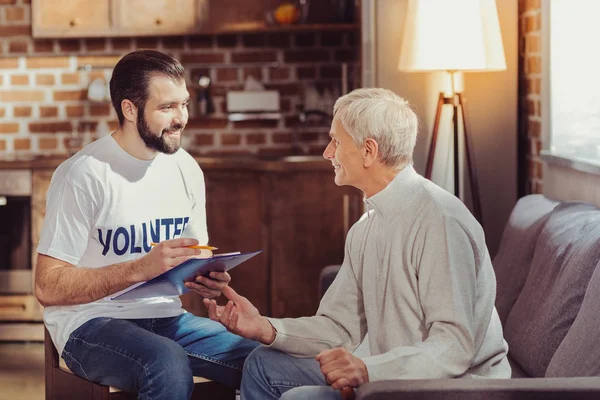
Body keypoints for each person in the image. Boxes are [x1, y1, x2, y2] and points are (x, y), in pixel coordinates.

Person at [204, 88, 511, 399]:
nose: (327, 152)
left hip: (454, 388)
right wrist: (265, 328)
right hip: (390, 378)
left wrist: (367, 370)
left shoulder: (439, 220)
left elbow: (454, 348)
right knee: (262, 364)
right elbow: (340, 329)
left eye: (336, 141)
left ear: (368, 151)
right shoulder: (366, 227)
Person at [35, 50, 258, 400]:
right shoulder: (82, 174)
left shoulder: (186, 169)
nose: (181, 118)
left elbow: (190, 258)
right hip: (90, 325)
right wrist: (140, 268)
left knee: (261, 359)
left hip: (167, 317)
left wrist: (206, 278)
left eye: (183, 104)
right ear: (129, 109)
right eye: (166, 107)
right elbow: (47, 287)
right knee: (165, 361)